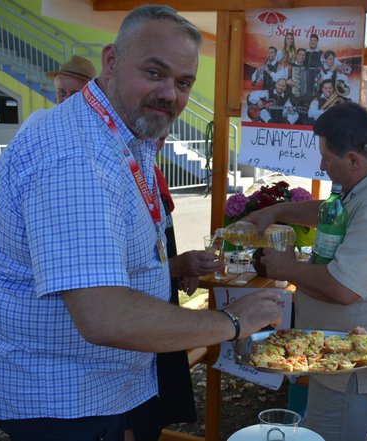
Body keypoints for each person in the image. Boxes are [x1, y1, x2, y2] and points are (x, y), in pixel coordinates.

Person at [0, 5, 282, 440]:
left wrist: (173, 268)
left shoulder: (119, 132)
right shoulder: (77, 157)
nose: (170, 93)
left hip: (102, 388)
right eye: (154, 72)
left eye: (183, 82)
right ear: (111, 61)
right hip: (68, 401)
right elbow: (104, 317)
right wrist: (232, 321)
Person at [244, 102, 367, 441]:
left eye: (327, 158)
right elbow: (331, 213)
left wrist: (286, 268)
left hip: (348, 369)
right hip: (334, 359)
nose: (322, 166)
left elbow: (344, 288)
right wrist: (279, 210)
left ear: (354, 159)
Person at [124, 134, 218, 441]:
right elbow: (119, 269)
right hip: (132, 319)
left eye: (162, 136)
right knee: (132, 411)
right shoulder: (112, 173)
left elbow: (159, 232)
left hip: (158, 306)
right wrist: (176, 267)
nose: (158, 142)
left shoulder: (151, 171)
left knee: (153, 406)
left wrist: (178, 263)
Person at [16, 54, 96, 134]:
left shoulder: (97, 125)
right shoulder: (37, 119)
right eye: (62, 93)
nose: (66, 99)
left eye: (75, 95)